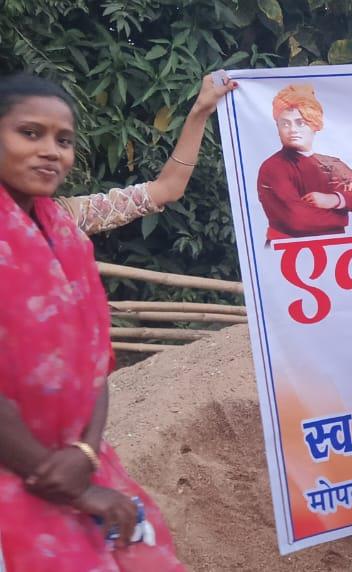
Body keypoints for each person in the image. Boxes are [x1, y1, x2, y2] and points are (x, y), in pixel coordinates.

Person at [0, 73, 184, 570]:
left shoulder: (66, 227)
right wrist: (66, 482)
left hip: (72, 461)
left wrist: (83, 454)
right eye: (29, 133)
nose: (50, 151)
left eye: (63, 140)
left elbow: (93, 357)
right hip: (24, 469)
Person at [55, 73, 237, 235]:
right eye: (36, 135)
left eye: (63, 141)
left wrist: (200, 111)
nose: (50, 152)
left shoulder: (64, 215)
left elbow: (169, 187)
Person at [256, 84, 352, 241]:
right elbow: (298, 220)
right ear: (278, 127)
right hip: (290, 250)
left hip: (336, 248)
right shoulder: (273, 167)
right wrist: (343, 215)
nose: (292, 130)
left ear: (314, 124)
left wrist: (335, 200)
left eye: (300, 122)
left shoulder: (333, 164)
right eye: (285, 124)